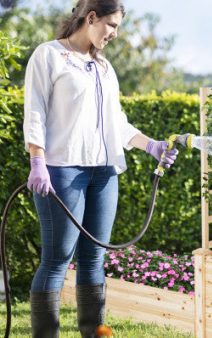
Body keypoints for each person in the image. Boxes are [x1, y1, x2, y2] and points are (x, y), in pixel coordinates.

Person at [23, 0, 178, 337]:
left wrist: (151, 145)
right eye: (112, 25)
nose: (115, 34)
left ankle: (94, 332)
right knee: (57, 258)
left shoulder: (105, 68)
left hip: (104, 173)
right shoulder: (49, 55)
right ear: (90, 18)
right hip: (61, 171)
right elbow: (34, 111)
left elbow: (116, 122)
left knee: (94, 258)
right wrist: (37, 160)